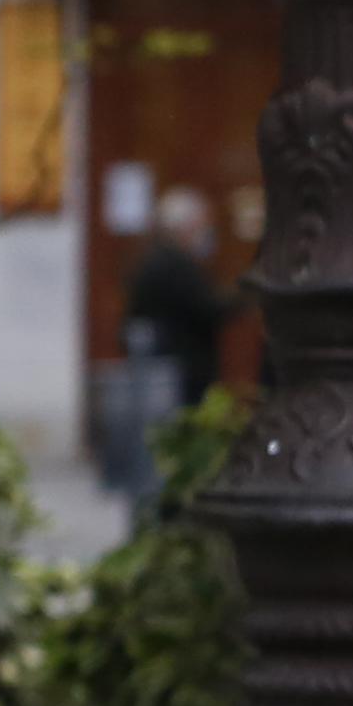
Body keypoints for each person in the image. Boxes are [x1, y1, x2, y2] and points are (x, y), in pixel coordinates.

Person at [114, 185, 237, 515]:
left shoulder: (154, 261)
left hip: (167, 375)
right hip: (179, 378)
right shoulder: (174, 266)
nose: (206, 234)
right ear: (184, 228)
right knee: (172, 456)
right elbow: (209, 309)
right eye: (200, 225)